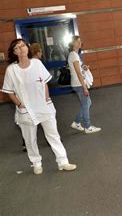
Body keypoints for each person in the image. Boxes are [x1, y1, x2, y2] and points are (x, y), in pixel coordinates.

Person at [2, 38, 77, 174]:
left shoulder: (37, 63)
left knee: (53, 135)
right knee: (30, 139)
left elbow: (44, 82)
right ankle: (36, 163)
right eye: (18, 48)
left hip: (44, 107)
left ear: (27, 48)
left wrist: (46, 98)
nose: (22, 49)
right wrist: (20, 104)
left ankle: (63, 161)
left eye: (23, 46)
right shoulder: (11, 70)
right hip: (26, 110)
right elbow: (9, 91)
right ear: (14, 52)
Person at [68, 36, 101, 134]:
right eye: (77, 41)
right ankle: (88, 126)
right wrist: (84, 87)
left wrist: (84, 67)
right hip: (79, 84)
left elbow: (79, 68)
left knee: (87, 103)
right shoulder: (73, 55)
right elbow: (78, 73)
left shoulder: (75, 55)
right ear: (73, 44)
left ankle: (76, 122)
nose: (80, 43)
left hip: (78, 83)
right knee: (86, 104)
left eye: (80, 41)